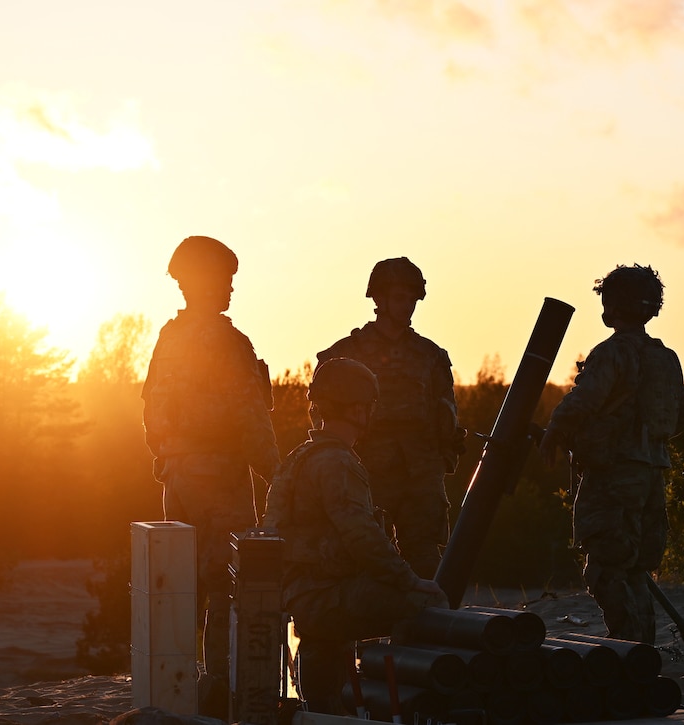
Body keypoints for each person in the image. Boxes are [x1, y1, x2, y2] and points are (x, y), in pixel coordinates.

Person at [140, 235, 281, 715]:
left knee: (180, 585)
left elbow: (149, 411)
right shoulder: (228, 343)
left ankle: (176, 689)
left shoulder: (169, 338)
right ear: (204, 281)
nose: (231, 290)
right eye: (227, 280)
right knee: (228, 585)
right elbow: (251, 421)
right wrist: (281, 478)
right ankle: (219, 689)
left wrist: (170, 458)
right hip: (220, 478)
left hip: (176, 479)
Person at [262, 357, 448, 714]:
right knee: (429, 607)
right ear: (359, 409)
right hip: (325, 598)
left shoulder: (298, 457)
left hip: (303, 595)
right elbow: (362, 537)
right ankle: (408, 705)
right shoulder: (337, 462)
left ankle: (330, 702)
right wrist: (410, 581)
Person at [539, 264, 684, 644]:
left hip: (612, 477)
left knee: (607, 568)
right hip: (651, 475)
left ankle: (627, 649)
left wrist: (554, 433)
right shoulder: (666, 358)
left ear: (613, 306)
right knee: (636, 570)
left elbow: (583, 401)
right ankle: (642, 651)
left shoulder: (611, 354)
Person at [315, 257, 464, 579]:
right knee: (361, 561)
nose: (407, 305)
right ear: (379, 299)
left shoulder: (431, 355)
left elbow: (447, 413)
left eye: (412, 298)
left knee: (425, 562)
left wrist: (442, 456)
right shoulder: (346, 354)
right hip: (366, 471)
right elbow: (321, 416)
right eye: (399, 297)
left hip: (421, 475)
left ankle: (425, 629)